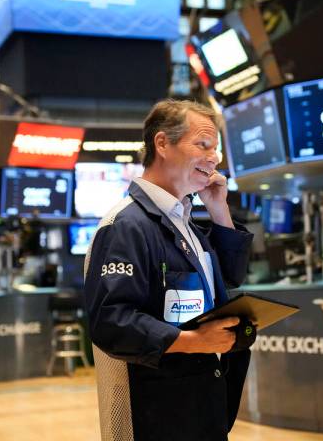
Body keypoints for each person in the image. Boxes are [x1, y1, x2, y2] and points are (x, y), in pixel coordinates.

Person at [84, 99, 253, 441]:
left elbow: (231, 278)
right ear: (162, 144)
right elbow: (111, 321)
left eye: (215, 148)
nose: (214, 157)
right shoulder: (126, 225)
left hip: (200, 403)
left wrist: (219, 209)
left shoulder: (184, 221)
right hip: (154, 413)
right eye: (202, 144)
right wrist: (193, 341)